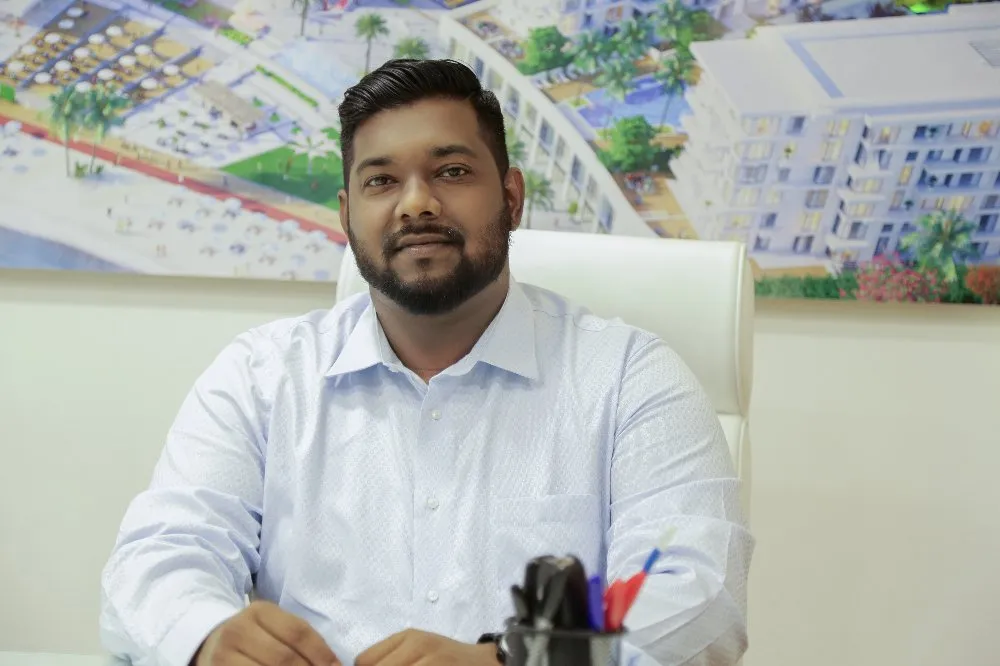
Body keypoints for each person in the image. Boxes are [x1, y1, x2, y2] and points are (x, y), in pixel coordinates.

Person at [100, 59, 753, 666]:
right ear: (348, 215)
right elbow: (161, 558)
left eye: (451, 171)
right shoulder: (260, 377)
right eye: (381, 180)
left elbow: (693, 591)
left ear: (512, 197)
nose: (416, 203)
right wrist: (207, 634)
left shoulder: (628, 376)